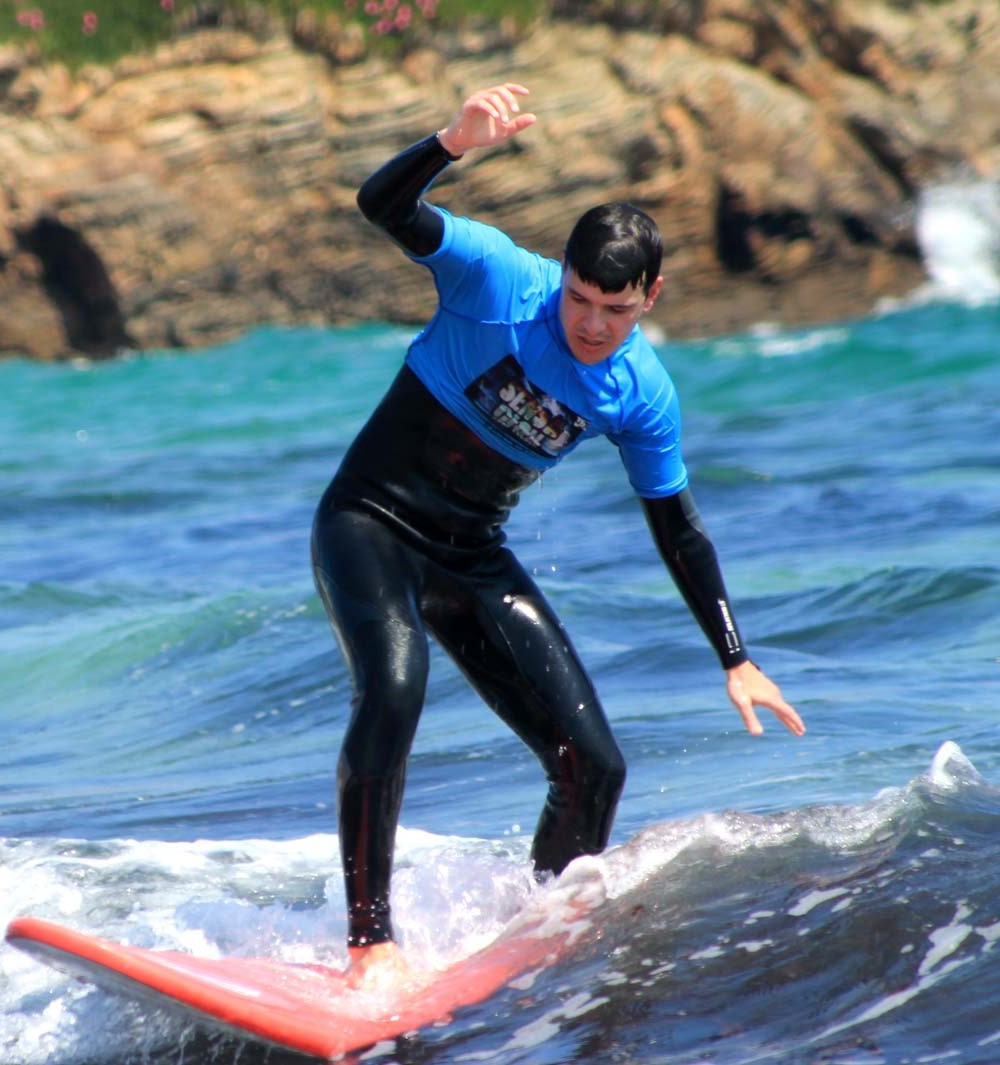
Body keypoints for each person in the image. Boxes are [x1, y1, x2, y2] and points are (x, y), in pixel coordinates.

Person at [311, 83, 807, 990]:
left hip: (470, 554)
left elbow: (679, 526)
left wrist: (735, 655)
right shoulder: (497, 277)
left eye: (614, 310)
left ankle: (530, 944)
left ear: (649, 298)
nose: (589, 323)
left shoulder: (641, 393)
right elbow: (381, 207)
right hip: (369, 520)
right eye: (580, 298)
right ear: (563, 274)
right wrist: (449, 144)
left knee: (596, 768)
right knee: (394, 688)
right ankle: (368, 945)